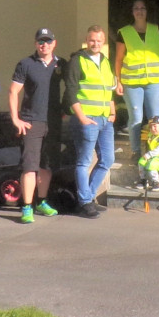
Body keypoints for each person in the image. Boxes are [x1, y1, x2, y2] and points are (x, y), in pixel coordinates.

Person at [9, 28, 68, 221]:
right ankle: (27, 207)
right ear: (36, 44)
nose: (45, 45)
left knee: (47, 165)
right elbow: (13, 92)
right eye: (41, 42)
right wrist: (16, 119)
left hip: (53, 123)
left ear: (54, 43)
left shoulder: (61, 64)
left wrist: (66, 110)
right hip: (31, 122)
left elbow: (73, 86)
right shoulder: (26, 64)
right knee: (29, 166)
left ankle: (41, 201)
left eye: (48, 41)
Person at [66, 25, 116, 218]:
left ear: (103, 42)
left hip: (105, 119)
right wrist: (81, 117)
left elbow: (110, 88)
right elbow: (70, 91)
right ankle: (85, 202)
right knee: (84, 161)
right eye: (92, 40)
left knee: (108, 159)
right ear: (87, 40)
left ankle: (87, 196)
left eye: (99, 40)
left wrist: (112, 112)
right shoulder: (77, 61)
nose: (95, 43)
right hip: (87, 118)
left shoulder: (105, 61)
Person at [115, 0, 159, 156]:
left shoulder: (155, 29)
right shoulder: (124, 32)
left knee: (155, 119)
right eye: (136, 8)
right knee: (136, 118)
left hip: (154, 81)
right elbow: (119, 59)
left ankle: (155, 150)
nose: (140, 11)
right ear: (132, 11)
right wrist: (118, 81)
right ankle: (136, 151)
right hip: (132, 83)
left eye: (143, 8)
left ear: (147, 11)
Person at [137, 116, 159, 190]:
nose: (153, 128)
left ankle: (156, 182)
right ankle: (143, 179)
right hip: (152, 155)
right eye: (151, 126)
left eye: (155, 126)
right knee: (141, 161)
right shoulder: (150, 135)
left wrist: (149, 154)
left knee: (152, 164)